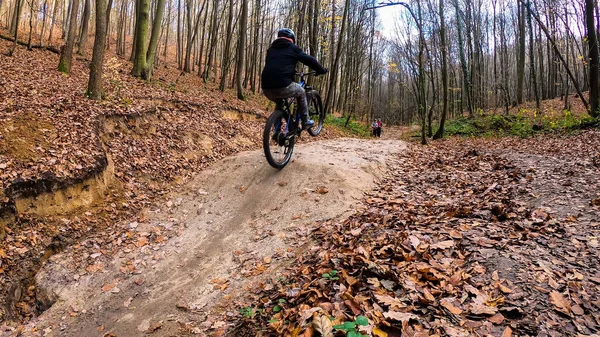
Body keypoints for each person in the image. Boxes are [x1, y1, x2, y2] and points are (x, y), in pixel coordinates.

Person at [261, 28, 328, 129]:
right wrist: (321, 69)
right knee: (301, 92)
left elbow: (276, 65)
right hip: (283, 85)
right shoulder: (293, 48)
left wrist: (291, 71)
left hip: (266, 88)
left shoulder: (271, 49)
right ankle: (305, 121)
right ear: (291, 38)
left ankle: (277, 130)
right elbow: (309, 60)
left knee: (280, 103)